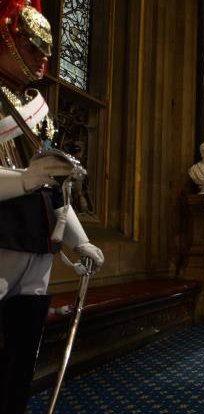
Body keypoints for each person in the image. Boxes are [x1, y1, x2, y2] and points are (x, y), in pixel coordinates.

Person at [0, 2, 104, 412]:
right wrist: (27, 179)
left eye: (46, 49)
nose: (44, 58)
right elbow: (33, 179)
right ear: (7, 38)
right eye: (33, 47)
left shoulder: (37, 109)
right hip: (3, 236)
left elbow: (55, 190)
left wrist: (80, 241)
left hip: (38, 242)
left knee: (23, 352)